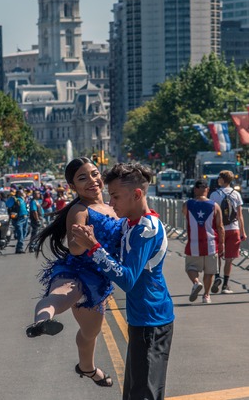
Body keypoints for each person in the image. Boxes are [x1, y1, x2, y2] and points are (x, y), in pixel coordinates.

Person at [72, 162, 174, 400]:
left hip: (153, 320)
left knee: (144, 394)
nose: (111, 203)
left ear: (137, 194)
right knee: (133, 393)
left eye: (116, 196)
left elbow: (127, 279)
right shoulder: (130, 224)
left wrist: (94, 247)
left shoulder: (146, 229)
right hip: (141, 318)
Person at [26, 157, 125, 388]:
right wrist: (86, 241)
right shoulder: (79, 210)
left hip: (98, 281)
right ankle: (40, 323)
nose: (92, 180)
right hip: (76, 271)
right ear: (73, 187)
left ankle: (87, 368)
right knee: (59, 296)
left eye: (94, 173)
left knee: (91, 332)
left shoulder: (114, 206)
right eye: (83, 178)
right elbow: (74, 246)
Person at [182, 179, 225, 304]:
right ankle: (206, 295)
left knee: (190, 267)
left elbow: (185, 215)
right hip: (211, 244)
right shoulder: (214, 206)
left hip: (193, 243)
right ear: (207, 190)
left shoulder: (187, 204)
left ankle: (196, 282)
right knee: (210, 271)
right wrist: (221, 243)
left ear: (195, 189)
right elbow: (220, 226)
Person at [209, 170, 247, 294]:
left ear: (222, 180)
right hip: (233, 229)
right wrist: (243, 232)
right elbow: (240, 215)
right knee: (229, 259)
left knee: (217, 255)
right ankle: (225, 285)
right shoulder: (236, 194)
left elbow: (212, 214)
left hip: (219, 229)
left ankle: (217, 277)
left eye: (219, 178)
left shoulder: (214, 195)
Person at [6, 188, 29, 254]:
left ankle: (20, 245)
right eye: (22, 192)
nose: (24, 193)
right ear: (19, 193)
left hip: (25, 217)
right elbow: (7, 205)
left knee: (25, 232)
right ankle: (19, 248)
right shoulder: (14, 198)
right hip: (19, 219)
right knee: (20, 233)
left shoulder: (22, 199)